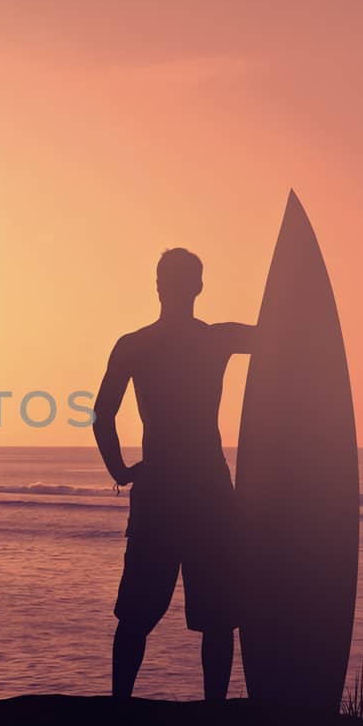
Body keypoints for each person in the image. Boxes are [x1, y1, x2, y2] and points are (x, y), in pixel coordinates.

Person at [92, 247, 254, 702]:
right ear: (199, 287)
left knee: (136, 616)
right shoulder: (217, 340)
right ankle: (215, 713)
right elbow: (279, 335)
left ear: (158, 286)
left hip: (158, 490)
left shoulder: (134, 345)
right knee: (218, 617)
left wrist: (122, 472)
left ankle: (120, 705)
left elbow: (102, 417)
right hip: (209, 491)